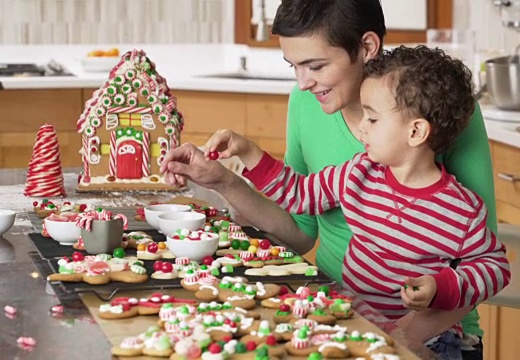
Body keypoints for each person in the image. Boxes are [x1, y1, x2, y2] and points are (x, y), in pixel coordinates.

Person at [161, 1, 497, 358]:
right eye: (293, 66)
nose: (303, 83)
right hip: (338, 314)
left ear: (367, 47)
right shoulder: (345, 151)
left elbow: (481, 261)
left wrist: (403, 335)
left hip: (430, 333)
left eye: (315, 66)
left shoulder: (437, 107)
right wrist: (225, 181)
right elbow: (300, 224)